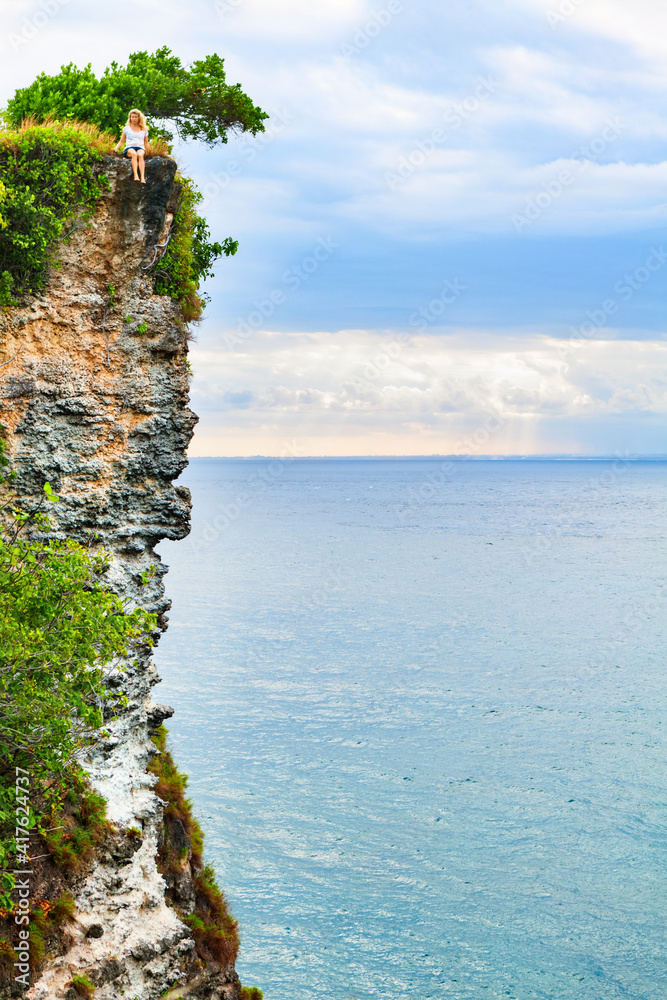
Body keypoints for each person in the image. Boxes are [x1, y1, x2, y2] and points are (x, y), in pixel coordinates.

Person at [115, 109, 148, 183]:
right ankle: (136, 175)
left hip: (140, 147)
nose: (134, 119)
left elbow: (146, 142)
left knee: (140, 155)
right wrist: (116, 148)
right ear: (130, 118)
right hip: (130, 147)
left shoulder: (143, 129)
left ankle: (142, 177)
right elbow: (122, 141)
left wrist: (150, 151)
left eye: (136, 117)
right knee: (134, 154)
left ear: (139, 118)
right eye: (132, 117)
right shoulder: (126, 129)